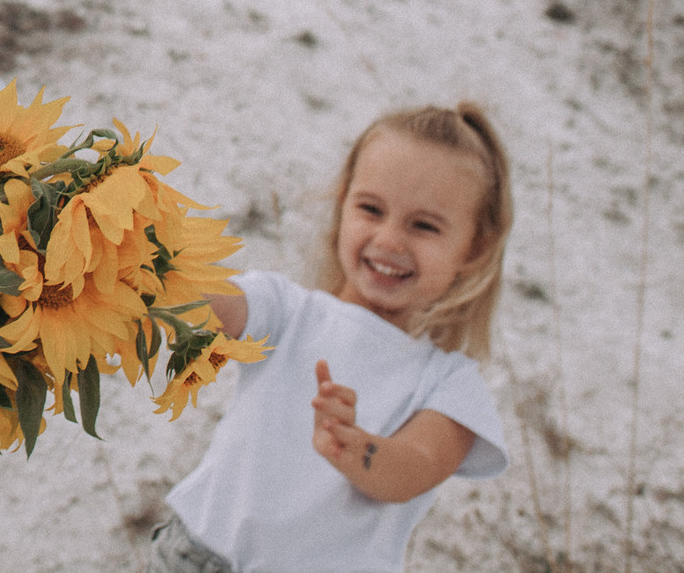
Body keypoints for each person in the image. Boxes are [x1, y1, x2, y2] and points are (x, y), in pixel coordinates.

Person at [147, 104, 516, 573]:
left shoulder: (450, 383)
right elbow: (218, 305)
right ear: (342, 206)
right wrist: (148, 254)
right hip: (196, 553)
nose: (389, 239)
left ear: (475, 247)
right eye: (371, 209)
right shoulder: (288, 310)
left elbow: (415, 468)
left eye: (424, 225)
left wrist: (355, 445)